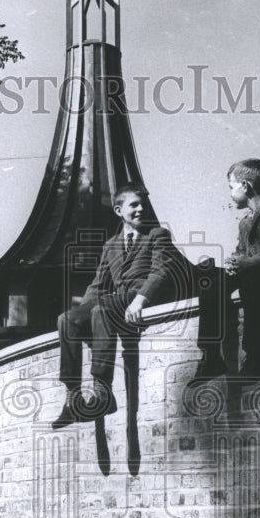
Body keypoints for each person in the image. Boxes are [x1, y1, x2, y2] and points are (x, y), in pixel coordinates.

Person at [52, 183, 181, 429]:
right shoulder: (110, 245)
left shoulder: (157, 235)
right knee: (65, 319)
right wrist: (81, 314)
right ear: (119, 210)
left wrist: (140, 300)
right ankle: (73, 397)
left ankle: (103, 392)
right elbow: (99, 285)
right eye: (134, 205)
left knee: (102, 310)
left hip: (138, 296)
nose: (141, 209)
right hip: (115, 299)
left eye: (143, 203)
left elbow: (161, 271)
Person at [192, 158, 260, 384]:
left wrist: (247, 264)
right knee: (212, 281)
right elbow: (242, 252)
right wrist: (234, 263)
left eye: (232, 187)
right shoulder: (244, 222)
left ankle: (254, 357)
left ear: (246, 187)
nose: (230, 193)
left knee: (252, 279)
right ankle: (211, 355)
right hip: (251, 272)